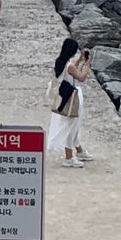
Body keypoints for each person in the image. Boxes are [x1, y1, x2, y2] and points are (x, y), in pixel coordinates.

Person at [47, 38, 94, 167]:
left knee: (74, 125)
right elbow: (81, 77)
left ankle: (79, 150)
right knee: (71, 126)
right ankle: (69, 157)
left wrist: (79, 60)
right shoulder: (70, 66)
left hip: (63, 96)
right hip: (72, 98)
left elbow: (70, 71)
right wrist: (86, 66)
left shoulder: (60, 62)